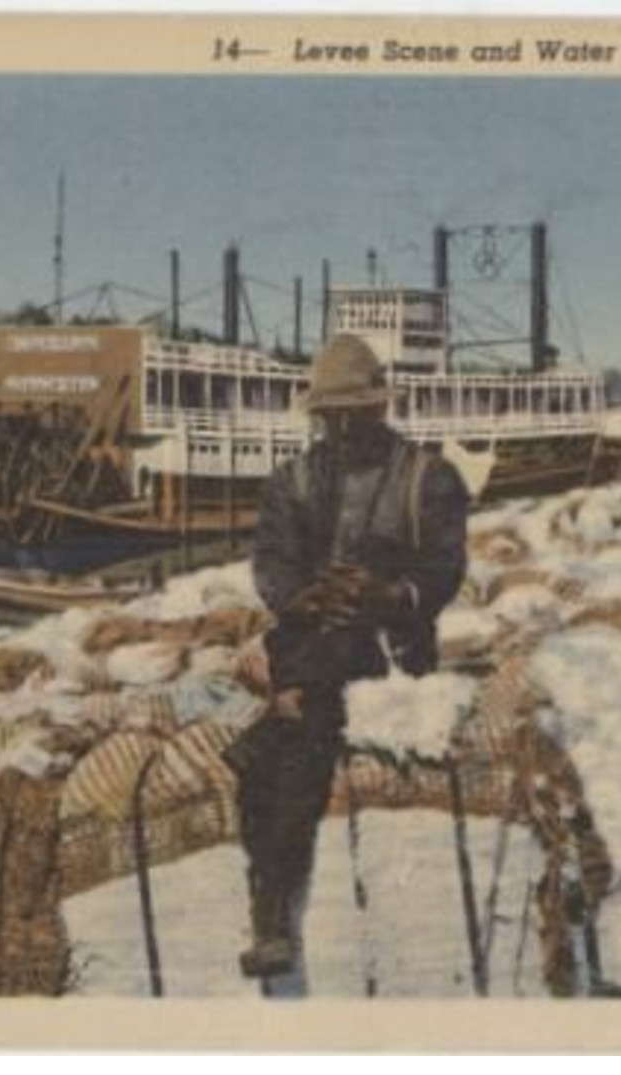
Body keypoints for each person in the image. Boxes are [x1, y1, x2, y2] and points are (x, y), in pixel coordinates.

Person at [225, 332, 470, 980]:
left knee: (299, 721)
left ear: (378, 409)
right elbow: (272, 566)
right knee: (309, 695)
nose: (342, 427)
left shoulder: (428, 477)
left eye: (354, 414)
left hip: (387, 643)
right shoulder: (291, 481)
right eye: (332, 416)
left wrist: (387, 593)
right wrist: (302, 599)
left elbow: (443, 570)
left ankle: (271, 910)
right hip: (313, 637)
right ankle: (295, 702)